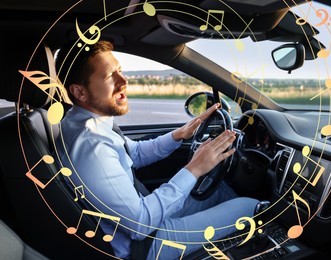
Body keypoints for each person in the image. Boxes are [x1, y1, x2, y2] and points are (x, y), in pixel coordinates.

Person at [54, 39, 260, 259]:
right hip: (144, 246)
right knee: (250, 207)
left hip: (145, 221)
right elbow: (139, 224)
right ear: (80, 92)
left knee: (220, 192)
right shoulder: (90, 145)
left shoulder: (88, 121)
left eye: (120, 71)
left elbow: (133, 153)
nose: (123, 82)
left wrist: (178, 134)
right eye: (109, 76)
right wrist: (195, 169)